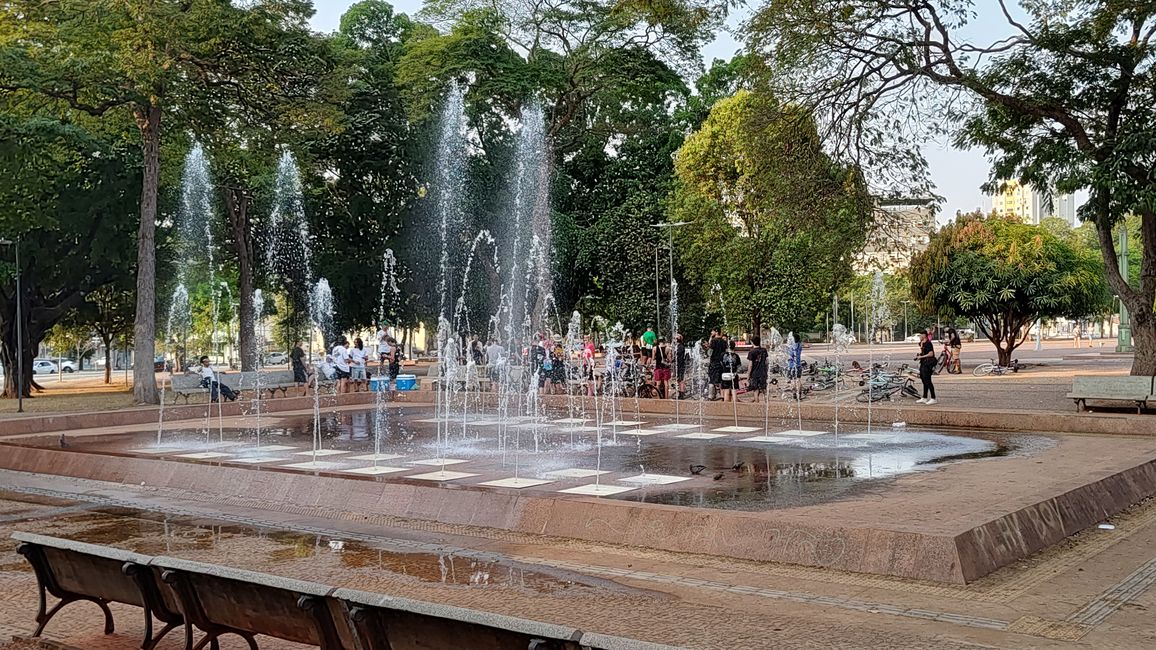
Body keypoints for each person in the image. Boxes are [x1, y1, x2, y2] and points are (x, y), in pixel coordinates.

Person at [915, 331, 937, 404]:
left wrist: (921, 356)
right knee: (923, 379)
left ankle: (933, 398)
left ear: (924, 335)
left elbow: (931, 354)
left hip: (928, 363)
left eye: (920, 335)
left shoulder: (928, 343)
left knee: (928, 380)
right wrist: (919, 356)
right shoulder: (922, 343)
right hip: (923, 363)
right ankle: (924, 397)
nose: (919, 336)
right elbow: (924, 352)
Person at [746, 335, 768, 402]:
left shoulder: (751, 352)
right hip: (763, 373)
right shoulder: (764, 350)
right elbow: (766, 362)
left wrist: (748, 375)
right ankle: (766, 403)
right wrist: (766, 371)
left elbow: (750, 365)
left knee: (755, 390)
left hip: (754, 373)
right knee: (764, 389)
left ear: (752, 342)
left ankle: (757, 404)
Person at [708, 329, 727, 400]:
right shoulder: (724, 342)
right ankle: (720, 394)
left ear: (716, 332)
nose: (711, 332)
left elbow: (710, 352)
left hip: (714, 362)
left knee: (712, 379)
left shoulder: (713, 340)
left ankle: (711, 395)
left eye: (712, 331)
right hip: (721, 363)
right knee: (719, 379)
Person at [672, 333, 687, 399]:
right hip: (679, 365)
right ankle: (681, 392)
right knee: (679, 379)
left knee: (681, 380)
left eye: (675, 338)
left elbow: (678, 356)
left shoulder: (680, 346)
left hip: (680, 365)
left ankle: (681, 393)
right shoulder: (678, 346)